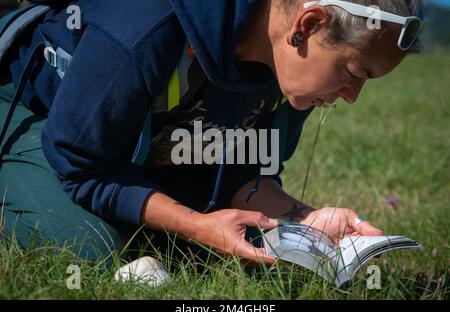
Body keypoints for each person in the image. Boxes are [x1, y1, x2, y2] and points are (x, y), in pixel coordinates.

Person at [0, 0, 423, 265]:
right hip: (35, 113)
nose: (352, 96)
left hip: (128, 152)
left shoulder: (293, 72)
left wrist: (307, 219)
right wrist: (193, 225)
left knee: (250, 242)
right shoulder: (145, 24)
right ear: (307, 24)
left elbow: (238, 174)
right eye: (352, 72)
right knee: (92, 244)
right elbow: (81, 163)